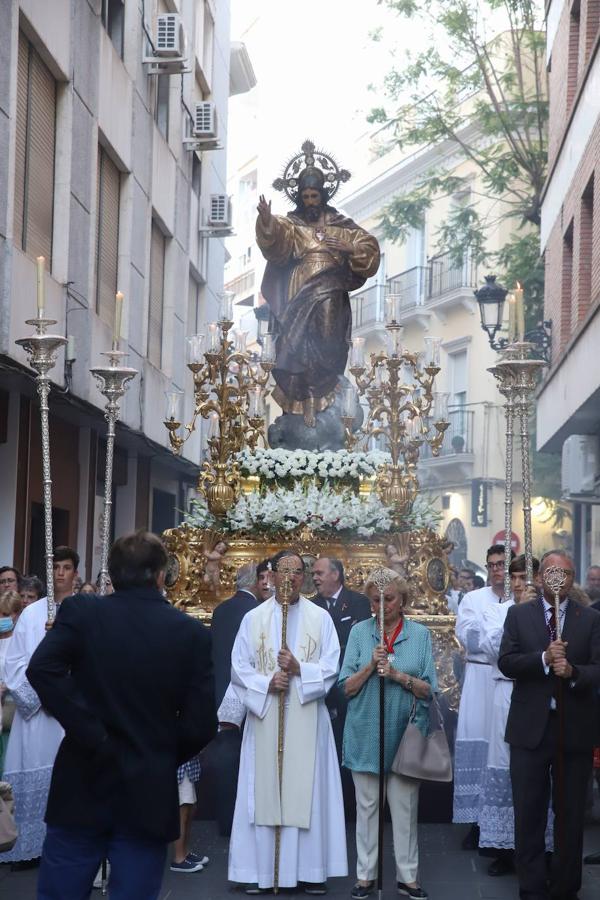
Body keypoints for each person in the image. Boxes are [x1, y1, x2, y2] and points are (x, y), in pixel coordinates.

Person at [26, 530, 217, 900]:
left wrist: (89, 732)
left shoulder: (83, 612)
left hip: (84, 776)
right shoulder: (189, 633)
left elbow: (42, 669)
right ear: (162, 575)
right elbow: (201, 723)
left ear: (111, 575)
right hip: (146, 786)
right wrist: (159, 752)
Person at [228, 549, 347, 894]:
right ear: (271, 575)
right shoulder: (254, 619)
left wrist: (299, 670)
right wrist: (268, 682)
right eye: (284, 571)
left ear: (304, 577)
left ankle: (310, 870)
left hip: (307, 716)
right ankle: (259, 872)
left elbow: (331, 665)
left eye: (298, 572)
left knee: (308, 790)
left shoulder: (319, 618)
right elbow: (239, 666)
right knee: (263, 788)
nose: (291, 578)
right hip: (267, 715)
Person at [498, 550, 600, 900]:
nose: (559, 579)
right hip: (530, 729)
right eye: (552, 572)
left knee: (571, 813)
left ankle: (566, 884)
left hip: (574, 730)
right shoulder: (518, 616)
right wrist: (543, 658)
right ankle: (531, 884)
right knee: (529, 810)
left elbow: (598, 669)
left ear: (573, 581)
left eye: (567, 574)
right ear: (539, 577)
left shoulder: (590, 619)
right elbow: (506, 661)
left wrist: (573, 672)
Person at [256, 141, 380, 426]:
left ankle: (326, 399)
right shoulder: (293, 224)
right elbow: (276, 243)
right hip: (298, 291)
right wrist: (266, 221)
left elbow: (369, 247)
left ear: (323, 195)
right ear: (299, 196)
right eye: (305, 196)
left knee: (329, 344)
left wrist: (349, 250)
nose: (310, 201)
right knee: (295, 347)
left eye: (314, 195)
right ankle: (304, 402)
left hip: (332, 292)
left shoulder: (341, 224)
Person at [339, 570, 437, 900]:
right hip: (365, 733)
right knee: (366, 809)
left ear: (403, 600)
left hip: (405, 735)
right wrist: (370, 665)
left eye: (389, 598)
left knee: (405, 810)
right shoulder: (358, 633)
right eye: (375, 600)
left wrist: (395, 674)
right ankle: (365, 876)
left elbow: (428, 690)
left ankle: (408, 877)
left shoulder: (420, 635)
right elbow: (346, 688)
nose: (382, 605)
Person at [2, 545, 79, 866]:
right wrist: (43, 692)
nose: (60, 573)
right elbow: (15, 662)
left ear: (75, 572)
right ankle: (26, 848)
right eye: (56, 567)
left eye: (66, 567)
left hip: (71, 712)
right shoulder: (32, 614)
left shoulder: (84, 610)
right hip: (37, 713)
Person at [477, 556, 552, 876]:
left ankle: (543, 847)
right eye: (514, 577)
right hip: (505, 693)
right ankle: (504, 848)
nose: (519, 583)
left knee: (537, 774)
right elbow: (493, 648)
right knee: (506, 771)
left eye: (525, 577)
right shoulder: (499, 610)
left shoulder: (548, 611)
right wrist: (518, 611)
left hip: (537, 694)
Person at [453, 544, 514, 849]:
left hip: (509, 680)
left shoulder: (521, 599)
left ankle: (504, 824)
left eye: (502, 563)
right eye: (491, 565)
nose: (496, 569)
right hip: (479, 678)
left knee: (503, 747)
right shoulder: (473, 598)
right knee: (478, 741)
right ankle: (477, 823)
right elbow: (470, 638)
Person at [313, 557, 372, 812]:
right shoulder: (311, 605)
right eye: (313, 573)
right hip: (321, 684)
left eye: (319, 573)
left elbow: (360, 642)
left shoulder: (358, 602)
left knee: (351, 743)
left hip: (351, 683)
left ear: (335, 574)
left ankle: (350, 804)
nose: (314, 578)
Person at [211, 562, 263, 709]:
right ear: (255, 582)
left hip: (220, 685)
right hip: (247, 689)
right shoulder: (258, 611)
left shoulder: (220, 609)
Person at [0, 590, 23, 775]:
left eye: (6, 615)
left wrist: (7, 685)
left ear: (16, 615)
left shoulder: (20, 642)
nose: (2, 619)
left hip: (11, 709)